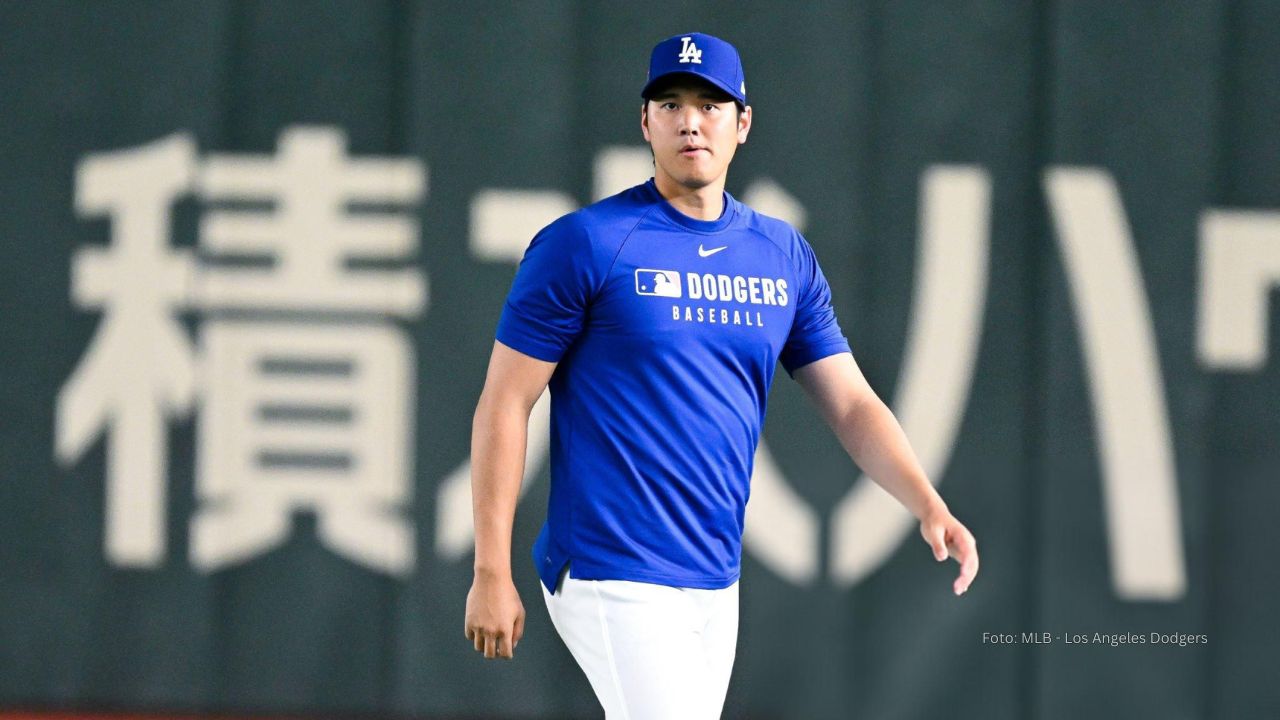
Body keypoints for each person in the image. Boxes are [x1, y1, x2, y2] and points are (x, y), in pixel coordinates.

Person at [464, 31, 979, 719]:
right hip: (610, 568)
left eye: (711, 104)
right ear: (645, 122)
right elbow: (505, 403)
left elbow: (851, 404)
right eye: (670, 103)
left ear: (743, 123)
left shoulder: (780, 254)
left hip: (714, 577)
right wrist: (490, 570)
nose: (690, 121)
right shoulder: (586, 243)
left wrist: (927, 503)